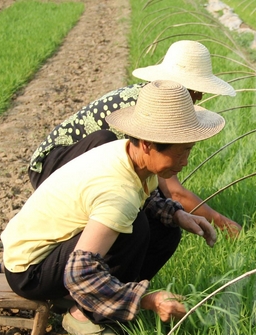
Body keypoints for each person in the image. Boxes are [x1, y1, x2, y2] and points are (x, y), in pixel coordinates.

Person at [2, 81, 225, 335]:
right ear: (147, 145)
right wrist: (145, 299)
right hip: (30, 270)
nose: (186, 161)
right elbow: (79, 273)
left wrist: (178, 215)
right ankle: (83, 314)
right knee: (136, 228)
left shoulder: (127, 155)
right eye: (181, 152)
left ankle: (105, 300)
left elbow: (149, 197)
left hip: (49, 251)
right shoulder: (117, 193)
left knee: (165, 230)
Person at [27, 40, 241, 236]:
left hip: (73, 165)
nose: (200, 96)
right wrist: (224, 224)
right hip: (52, 167)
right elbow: (174, 192)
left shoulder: (152, 98)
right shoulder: (152, 108)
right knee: (113, 148)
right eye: (195, 89)